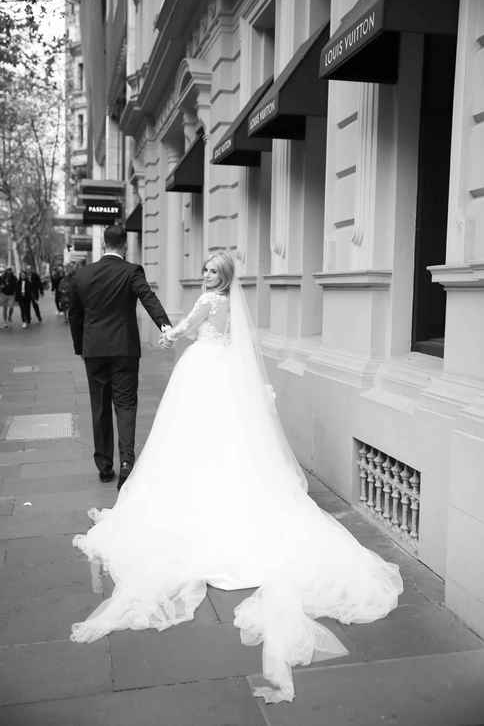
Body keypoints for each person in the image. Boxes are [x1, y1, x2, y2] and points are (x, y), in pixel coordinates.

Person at [71, 250, 403, 704]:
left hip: (201, 369)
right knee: (229, 435)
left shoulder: (209, 300)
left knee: (189, 434)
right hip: (223, 371)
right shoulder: (231, 306)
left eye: (212, 270)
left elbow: (184, 330)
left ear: (222, 278)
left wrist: (169, 337)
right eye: (206, 269)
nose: (206, 274)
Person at [68, 225, 171, 488]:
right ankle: (126, 462)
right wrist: (165, 326)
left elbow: (75, 315)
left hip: (95, 350)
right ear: (124, 245)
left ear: (104, 244)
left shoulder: (83, 274)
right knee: (125, 405)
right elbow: (149, 298)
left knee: (99, 407)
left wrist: (81, 347)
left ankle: (104, 466)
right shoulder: (131, 271)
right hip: (124, 349)